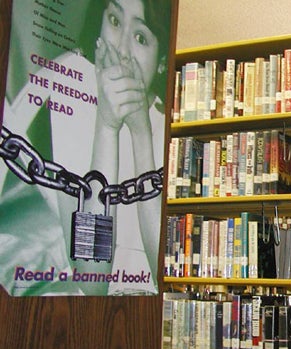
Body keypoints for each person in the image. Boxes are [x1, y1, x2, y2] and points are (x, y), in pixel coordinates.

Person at [0, 0, 171, 296]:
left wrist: (140, 132)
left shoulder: (166, 119)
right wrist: (107, 127)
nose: (120, 49)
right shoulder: (70, 90)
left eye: (141, 37)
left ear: (162, 61)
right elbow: (92, 280)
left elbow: (166, 278)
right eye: (115, 22)